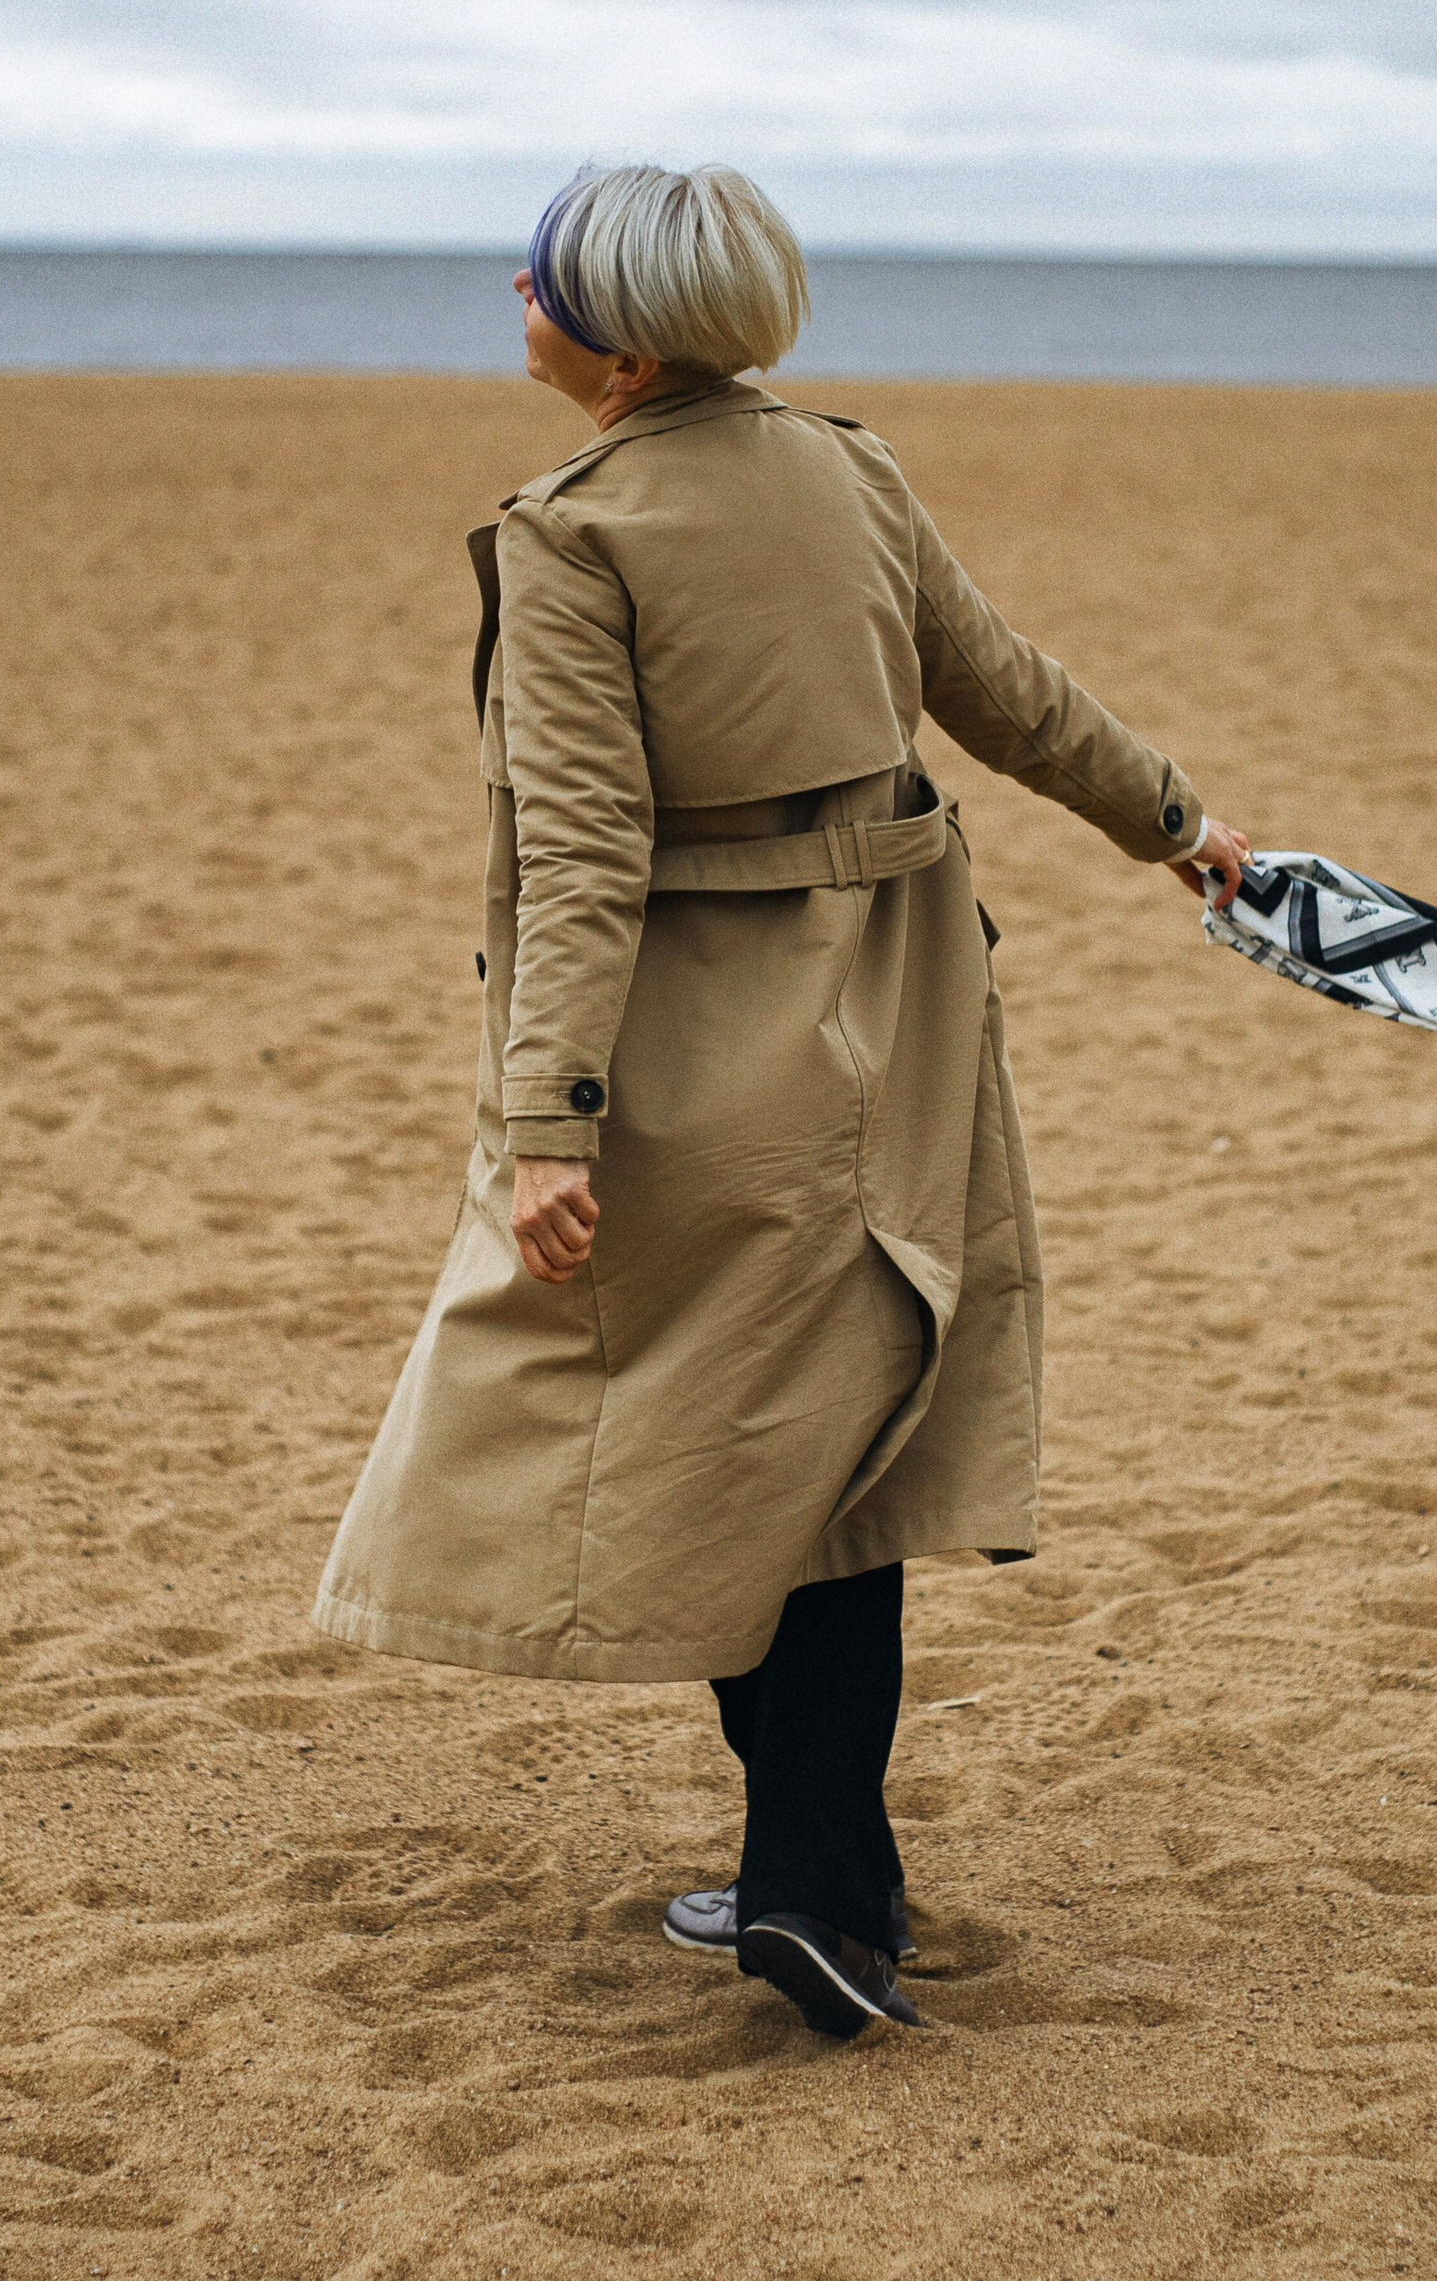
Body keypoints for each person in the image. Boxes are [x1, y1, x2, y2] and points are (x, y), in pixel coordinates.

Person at [313, 164, 1249, 2040]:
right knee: (836, 1449)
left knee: (710, 1442)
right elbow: (1006, 692)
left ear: (626, 335)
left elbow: (581, 851)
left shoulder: (573, 533)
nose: (517, 287)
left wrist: (555, 1121)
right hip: (898, 1009)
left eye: (548, 275)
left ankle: (816, 1878)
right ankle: (828, 1882)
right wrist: (1177, 823)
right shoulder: (847, 466)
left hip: (698, 1043)